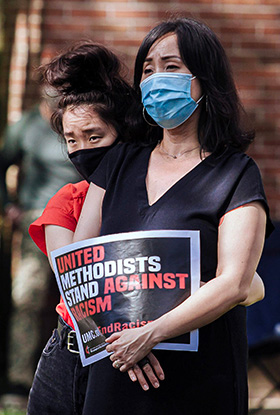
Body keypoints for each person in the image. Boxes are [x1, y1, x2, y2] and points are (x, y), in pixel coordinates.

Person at [72, 18, 274, 415]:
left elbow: (234, 282)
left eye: (172, 67)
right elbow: (77, 269)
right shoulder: (116, 163)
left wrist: (150, 334)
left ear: (204, 80)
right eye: (147, 70)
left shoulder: (236, 173)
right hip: (117, 366)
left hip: (199, 378)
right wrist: (116, 342)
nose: (155, 79)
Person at [27, 42, 165, 415]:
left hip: (149, 353)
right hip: (74, 356)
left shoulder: (157, 194)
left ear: (123, 134)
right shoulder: (67, 200)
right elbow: (75, 283)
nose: (81, 150)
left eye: (94, 136)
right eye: (71, 140)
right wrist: (120, 349)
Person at [0, 87, 81, 406]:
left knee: (83, 301)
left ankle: (83, 375)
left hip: (79, 224)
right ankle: (18, 381)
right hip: (38, 221)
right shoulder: (26, 126)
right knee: (26, 299)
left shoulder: (79, 122)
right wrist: (8, 205)